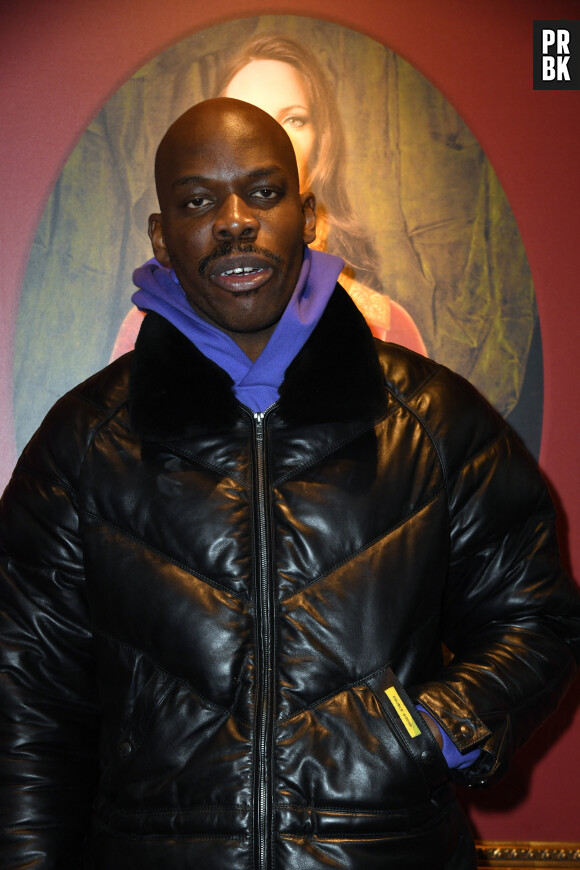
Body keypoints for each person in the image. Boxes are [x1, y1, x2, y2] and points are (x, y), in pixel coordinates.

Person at [0, 98, 578, 869]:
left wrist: (432, 726)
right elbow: (24, 703)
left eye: (264, 193)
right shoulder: (82, 444)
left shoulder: (434, 422)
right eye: (199, 200)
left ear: (307, 215)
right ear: (161, 234)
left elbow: (537, 618)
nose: (235, 220)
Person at [111, 35, 426, 359]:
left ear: (322, 142)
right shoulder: (143, 332)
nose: (262, 135)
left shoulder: (387, 326)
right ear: (160, 237)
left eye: (293, 119)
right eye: (242, 114)